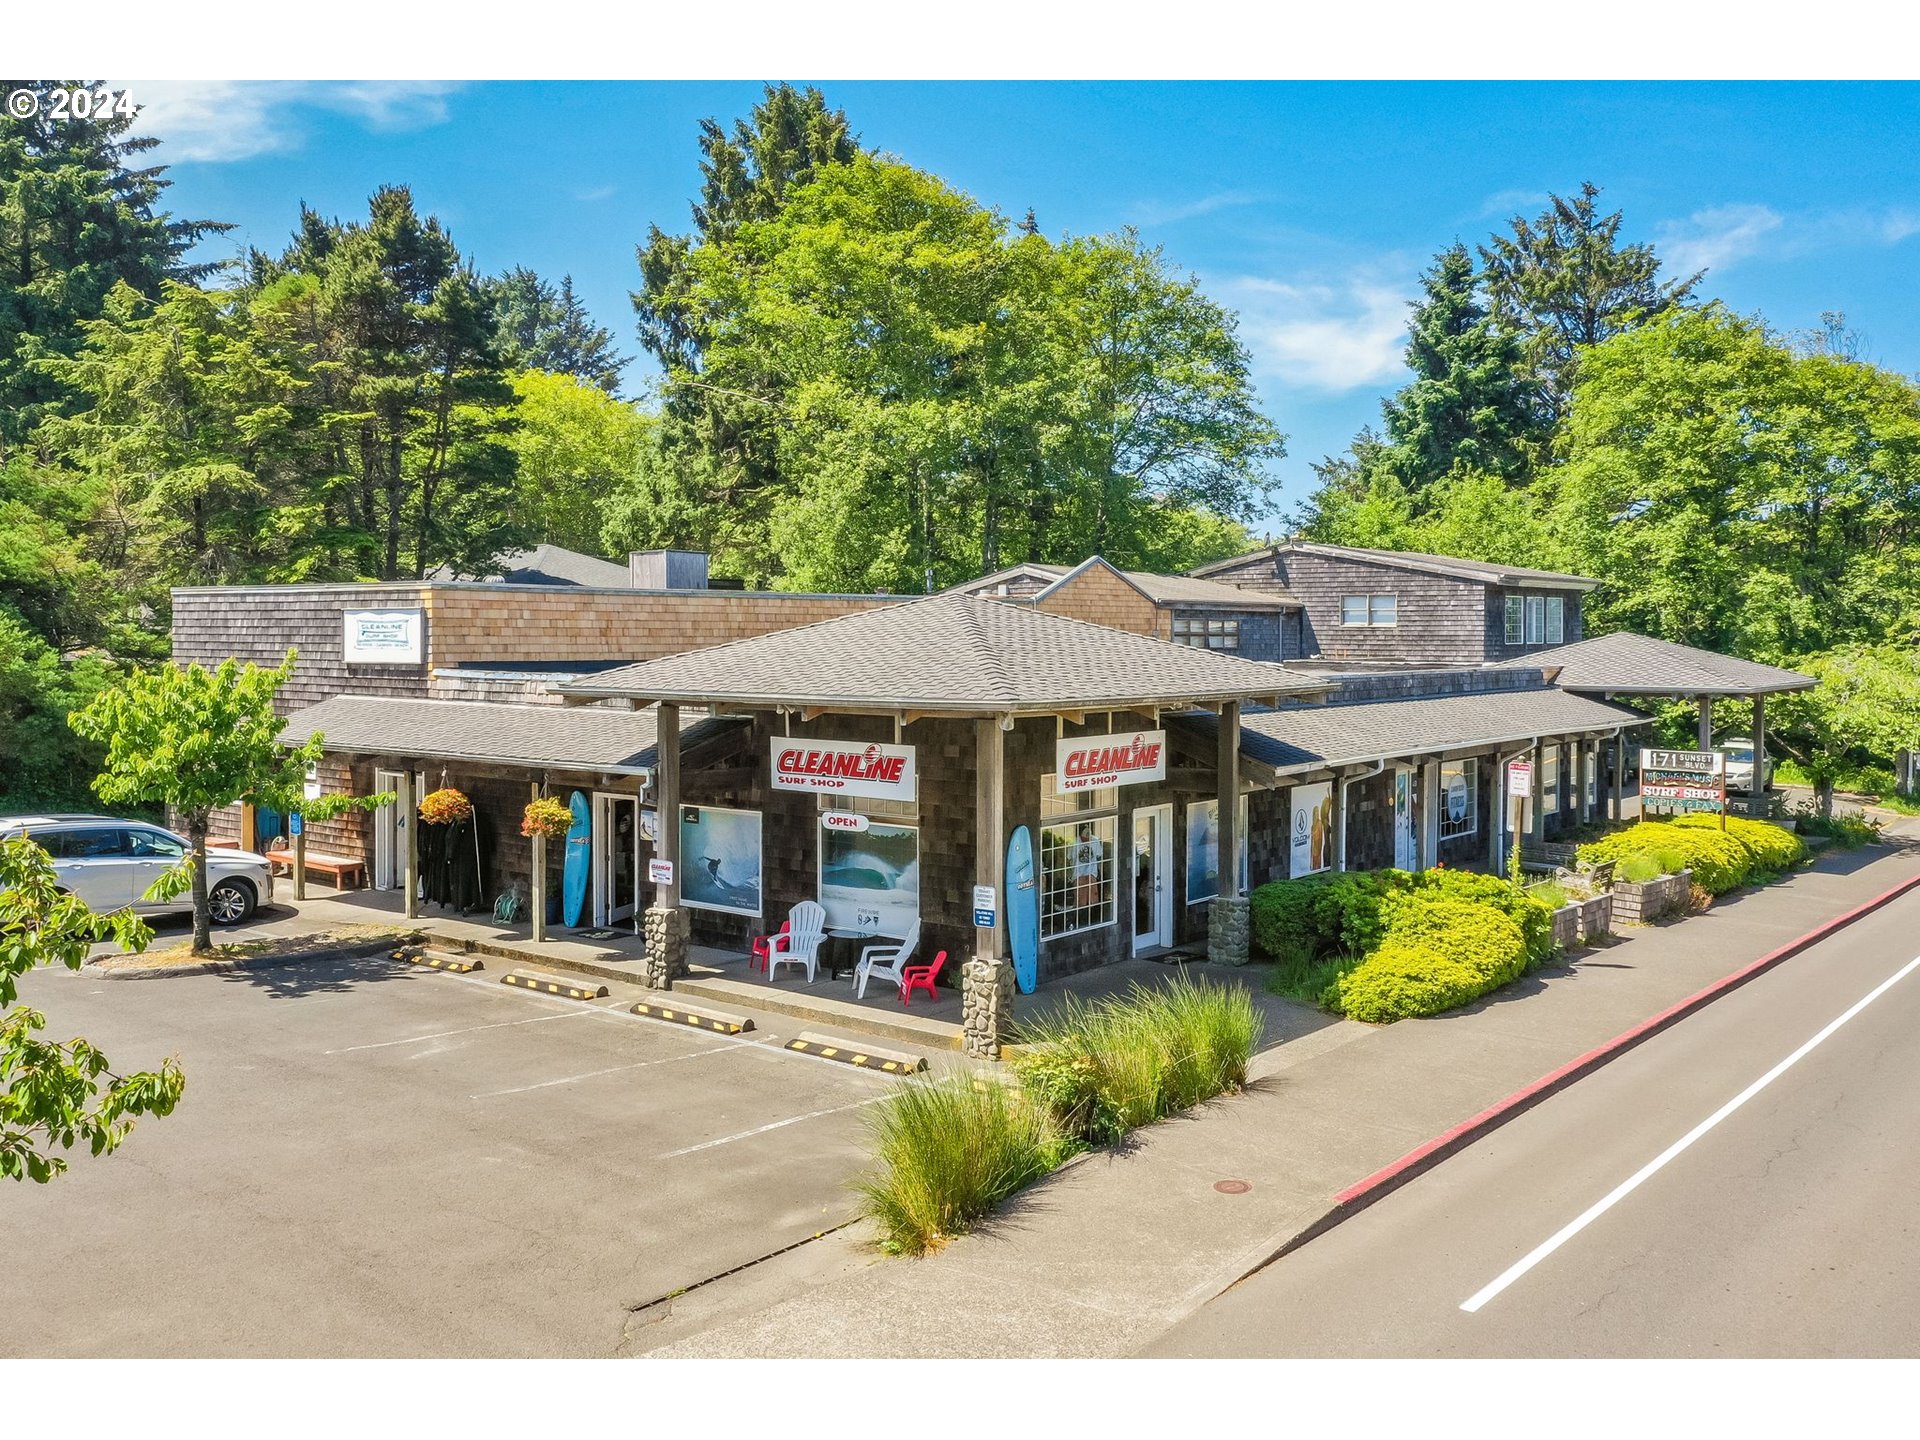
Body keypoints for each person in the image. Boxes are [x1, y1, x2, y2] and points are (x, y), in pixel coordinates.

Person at [1072, 823, 1104, 911]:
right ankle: (1080, 916)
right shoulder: (1075, 843)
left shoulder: (1095, 841)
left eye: (1088, 837)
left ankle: (1092, 915)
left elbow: (1099, 856)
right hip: (1078, 873)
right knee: (1080, 901)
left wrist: (1100, 871)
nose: (1087, 840)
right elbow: (1069, 858)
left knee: (1093, 899)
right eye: (1084, 838)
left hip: (1091, 872)